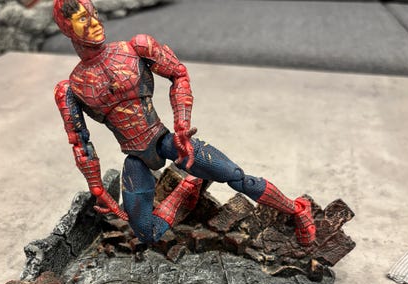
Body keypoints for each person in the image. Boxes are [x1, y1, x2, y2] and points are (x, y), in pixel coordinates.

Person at [52, 0, 316, 245]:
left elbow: (178, 74)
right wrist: (98, 189)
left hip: (167, 140)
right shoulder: (71, 88)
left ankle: (297, 209)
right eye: (83, 19)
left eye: (95, 14)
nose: (96, 23)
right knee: (146, 232)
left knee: (236, 177)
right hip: (135, 158)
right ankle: (187, 188)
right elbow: (80, 143)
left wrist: (181, 126)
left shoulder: (135, 48)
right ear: (66, 27)